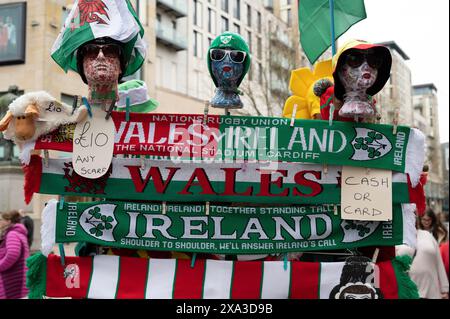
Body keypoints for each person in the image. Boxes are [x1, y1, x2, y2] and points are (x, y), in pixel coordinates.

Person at [396, 219, 449, 299]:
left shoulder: (427, 235)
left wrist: (445, 289)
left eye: (414, 213)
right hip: (408, 292)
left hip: (432, 292)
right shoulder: (395, 238)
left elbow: (438, 262)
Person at [0, 210, 30, 299]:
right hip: (17, 276)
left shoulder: (12, 234)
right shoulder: (17, 232)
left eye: (1, 220)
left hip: (13, 277)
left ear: (8, 221)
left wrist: (0, 265)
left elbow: (12, 254)